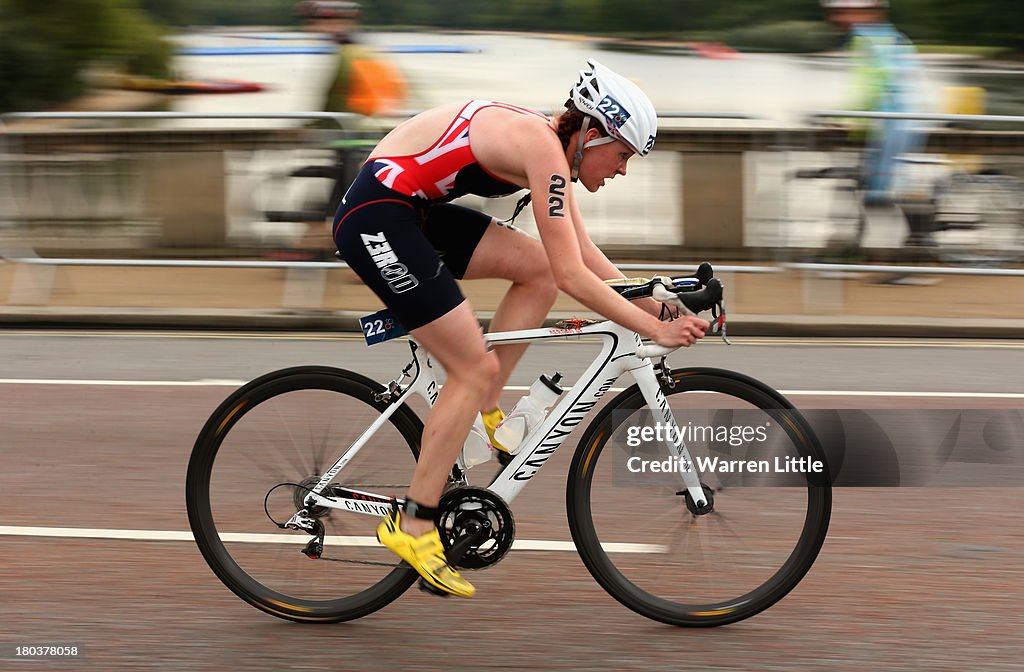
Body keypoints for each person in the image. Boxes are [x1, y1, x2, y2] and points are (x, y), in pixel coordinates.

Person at [333, 59, 710, 598]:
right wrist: (655, 328)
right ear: (595, 133)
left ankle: (486, 412)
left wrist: (654, 304)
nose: (623, 169)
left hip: (410, 210)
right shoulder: (542, 149)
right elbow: (573, 273)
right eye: (623, 155)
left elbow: (574, 253)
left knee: (533, 273)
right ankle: (413, 524)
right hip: (377, 216)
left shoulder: (549, 148)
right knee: (471, 364)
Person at [821, 0, 932, 246]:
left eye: (843, 12)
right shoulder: (892, 37)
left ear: (869, 13)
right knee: (881, 186)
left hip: (892, 125)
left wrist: (842, 119)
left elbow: (870, 89)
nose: (836, 19)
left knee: (879, 192)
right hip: (900, 122)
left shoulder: (867, 40)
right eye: (834, 13)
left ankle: (915, 248)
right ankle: (899, 247)